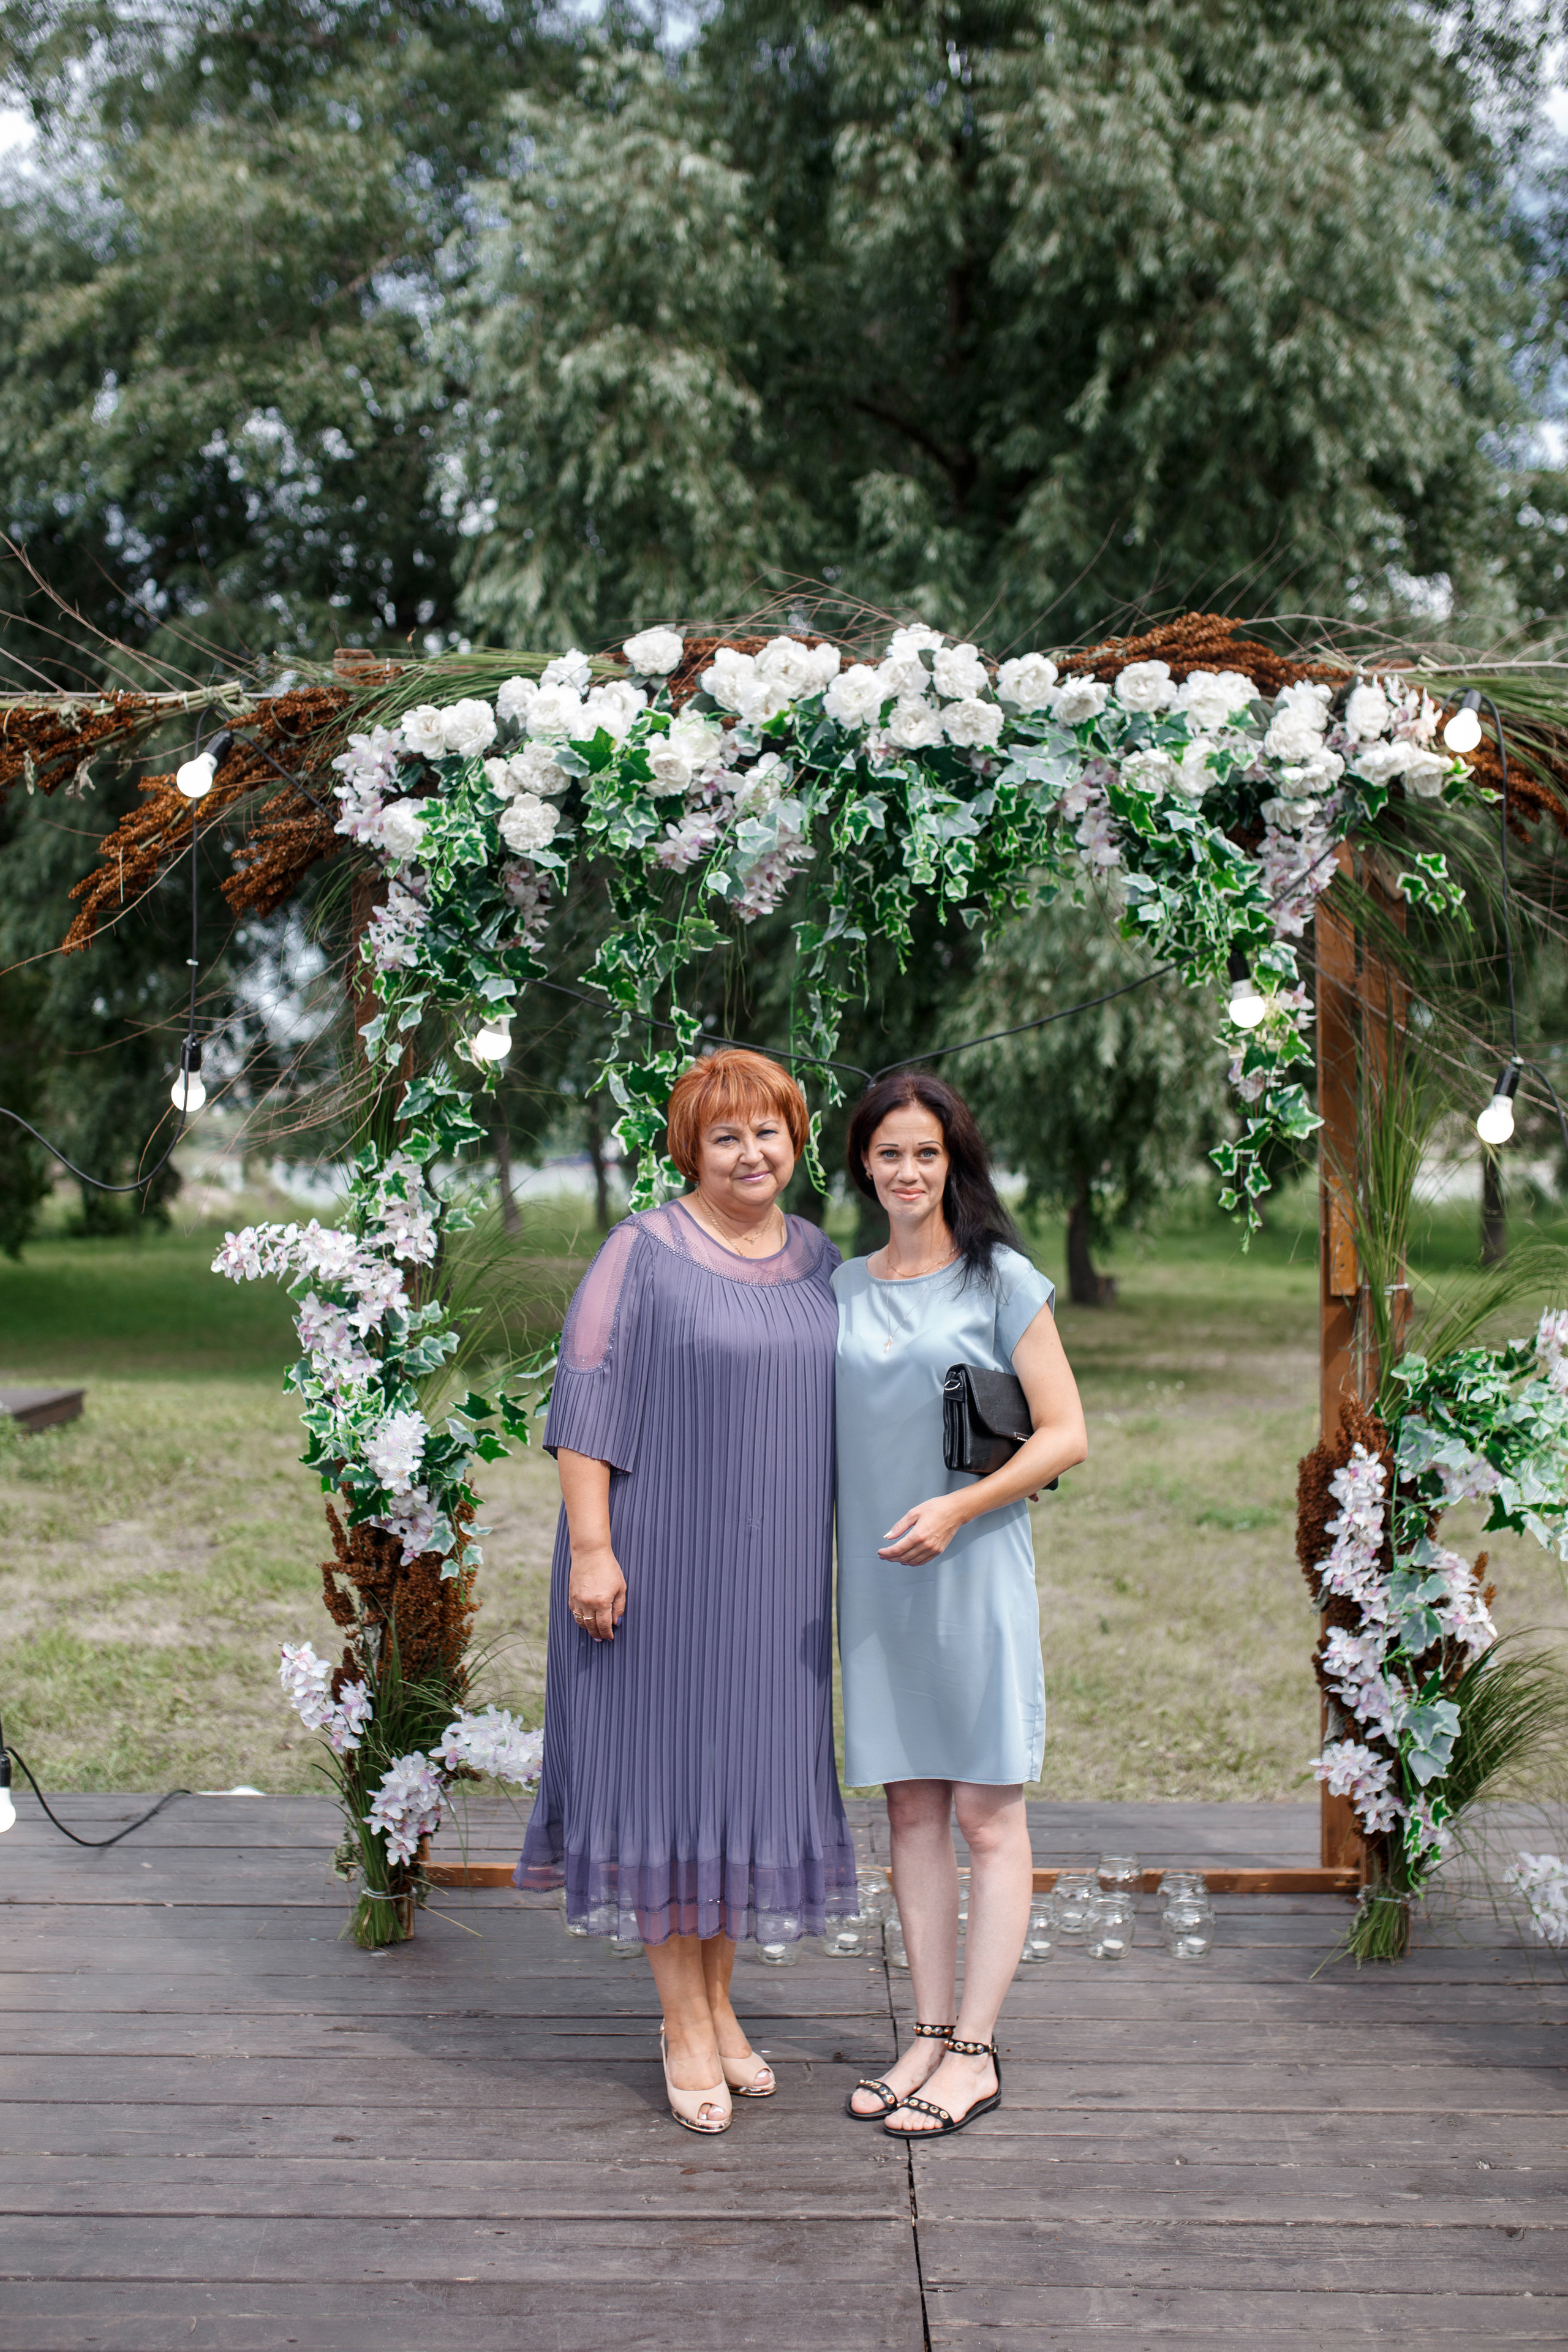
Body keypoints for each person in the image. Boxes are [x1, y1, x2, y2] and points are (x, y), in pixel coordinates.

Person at [516, 1047, 856, 2135]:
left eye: (769, 1130)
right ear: (690, 1151)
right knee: (668, 1789)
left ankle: (717, 2000)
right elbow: (586, 1402)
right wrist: (591, 1549)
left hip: (774, 1585)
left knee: (737, 1791)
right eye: (726, 1136)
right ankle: (681, 2024)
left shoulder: (821, 1261)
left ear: (795, 1137)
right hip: (655, 1566)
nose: (752, 1152)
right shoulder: (642, 1251)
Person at [833, 1069, 1087, 2139]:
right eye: (888, 1152)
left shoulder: (1003, 1283)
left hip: (973, 1570)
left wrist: (957, 1509)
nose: (906, 1171)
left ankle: (976, 2051)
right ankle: (928, 2035)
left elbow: (1066, 1433)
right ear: (863, 1165)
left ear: (955, 1164)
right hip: (875, 1587)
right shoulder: (839, 1289)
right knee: (909, 1811)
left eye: (925, 1153)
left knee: (987, 1812)